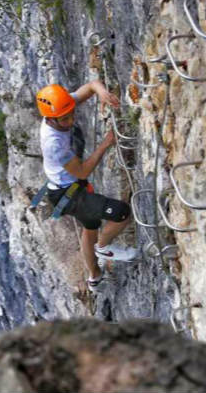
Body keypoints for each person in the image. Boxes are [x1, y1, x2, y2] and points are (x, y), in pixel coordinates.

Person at [36, 81, 139, 292]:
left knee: (90, 228)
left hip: (69, 185)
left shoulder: (61, 107)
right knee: (121, 213)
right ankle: (104, 248)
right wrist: (106, 143)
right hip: (68, 194)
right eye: (65, 119)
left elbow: (91, 86)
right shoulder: (53, 143)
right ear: (51, 119)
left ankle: (94, 277)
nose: (71, 120)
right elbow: (82, 171)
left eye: (71, 114)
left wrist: (102, 93)